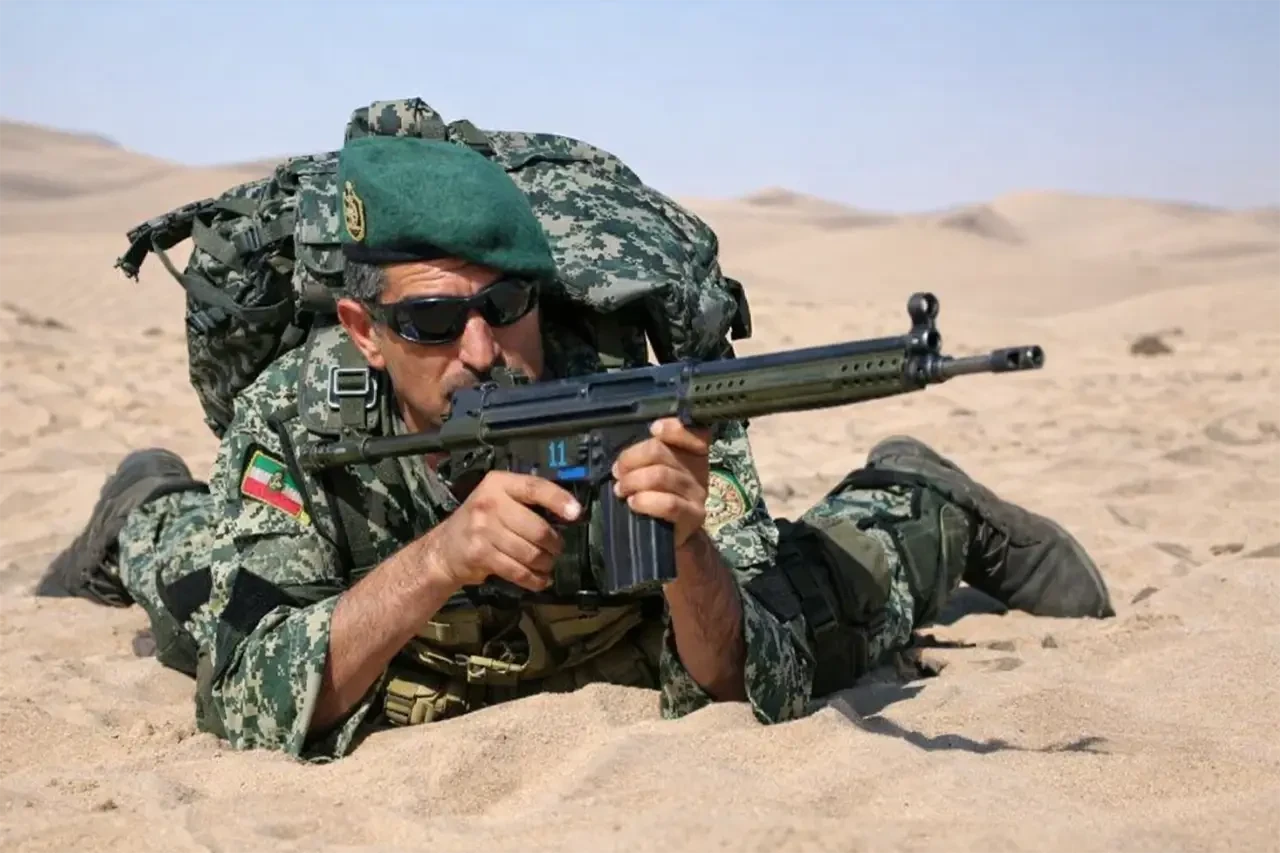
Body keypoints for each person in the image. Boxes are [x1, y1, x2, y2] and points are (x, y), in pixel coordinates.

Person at [36, 134, 1114, 762]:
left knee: (828, 610)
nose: (478, 348)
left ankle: (920, 495)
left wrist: (687, 548)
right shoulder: (299, 413)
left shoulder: (640, 387)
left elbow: (753, 677)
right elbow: (247, 693)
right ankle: (142, 506)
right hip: (390, 629)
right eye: (428, 321)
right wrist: (440, 558)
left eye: (505, 307)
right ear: (363, 329)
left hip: (613, 639)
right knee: (188, 592)